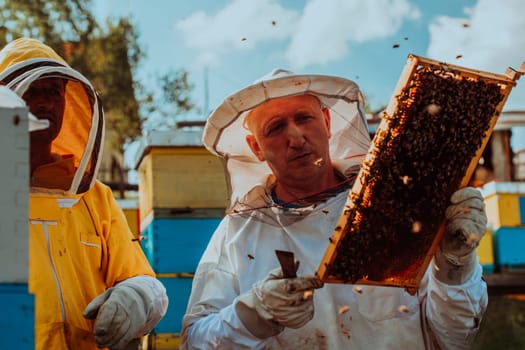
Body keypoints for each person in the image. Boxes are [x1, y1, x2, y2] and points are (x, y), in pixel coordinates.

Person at [180, 68, 488, 349]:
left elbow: (454, 338)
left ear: (327, 123)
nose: (296, 137)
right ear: (256, 147)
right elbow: (195, 341)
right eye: (275, 127)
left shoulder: (394, 206)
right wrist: (252, 314)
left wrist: (454, 265)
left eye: (304, 118)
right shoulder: (236, 234)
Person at [0, 37, 169, 350]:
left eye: (54, 91)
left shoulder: (94, 197)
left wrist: (137, 297)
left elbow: (141, 279)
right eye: (31, 90)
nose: (44, 103)